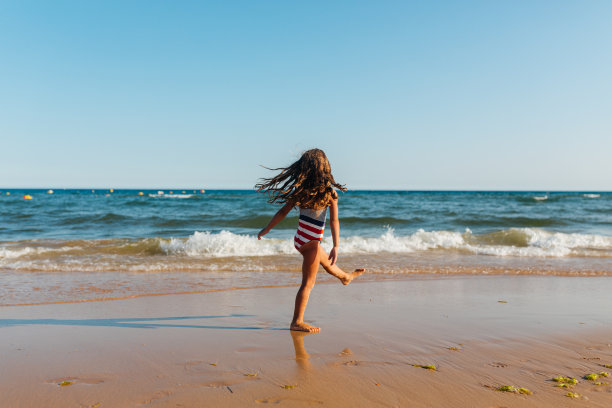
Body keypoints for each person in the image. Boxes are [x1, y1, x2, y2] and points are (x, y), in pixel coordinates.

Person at [255, 148, 364, 333]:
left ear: (304, 169)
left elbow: (282, 212)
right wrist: (336, 245)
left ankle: (346, 277)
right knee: (308, 284)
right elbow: (334, 220)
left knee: (328, 264)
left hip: (300, 240)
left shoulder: (301, 191)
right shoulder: (330, 194)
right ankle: (297, 321)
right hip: (312, 243)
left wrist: (267, 228)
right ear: (326, 169)